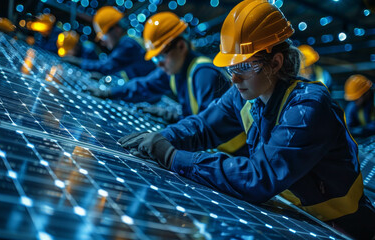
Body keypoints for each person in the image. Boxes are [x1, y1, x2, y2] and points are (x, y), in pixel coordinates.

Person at [118, 1, 375, 239]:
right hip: (295, 216)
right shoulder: (244, 95)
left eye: (243, 67)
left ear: (275, 62)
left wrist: (174, 158)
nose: (234, 78)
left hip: (343, 228)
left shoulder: (308, 107)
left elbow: (258, 177)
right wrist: (163, 138)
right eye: (231, 68)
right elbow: (204, 126)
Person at [89, 12, 231, 124]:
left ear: (181, 46)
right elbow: (143, 85)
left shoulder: (204, 74)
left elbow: (207, 127)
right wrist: (109, 92)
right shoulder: (175, 71)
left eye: (160, 57)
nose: (158, 64)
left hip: (232, 156)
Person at [64, 6, 155, 80]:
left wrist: (77, 61)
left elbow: (106, 66)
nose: (103, 42)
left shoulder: (128, 45)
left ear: (116, 28)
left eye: (104, 36)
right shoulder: (130, 41)